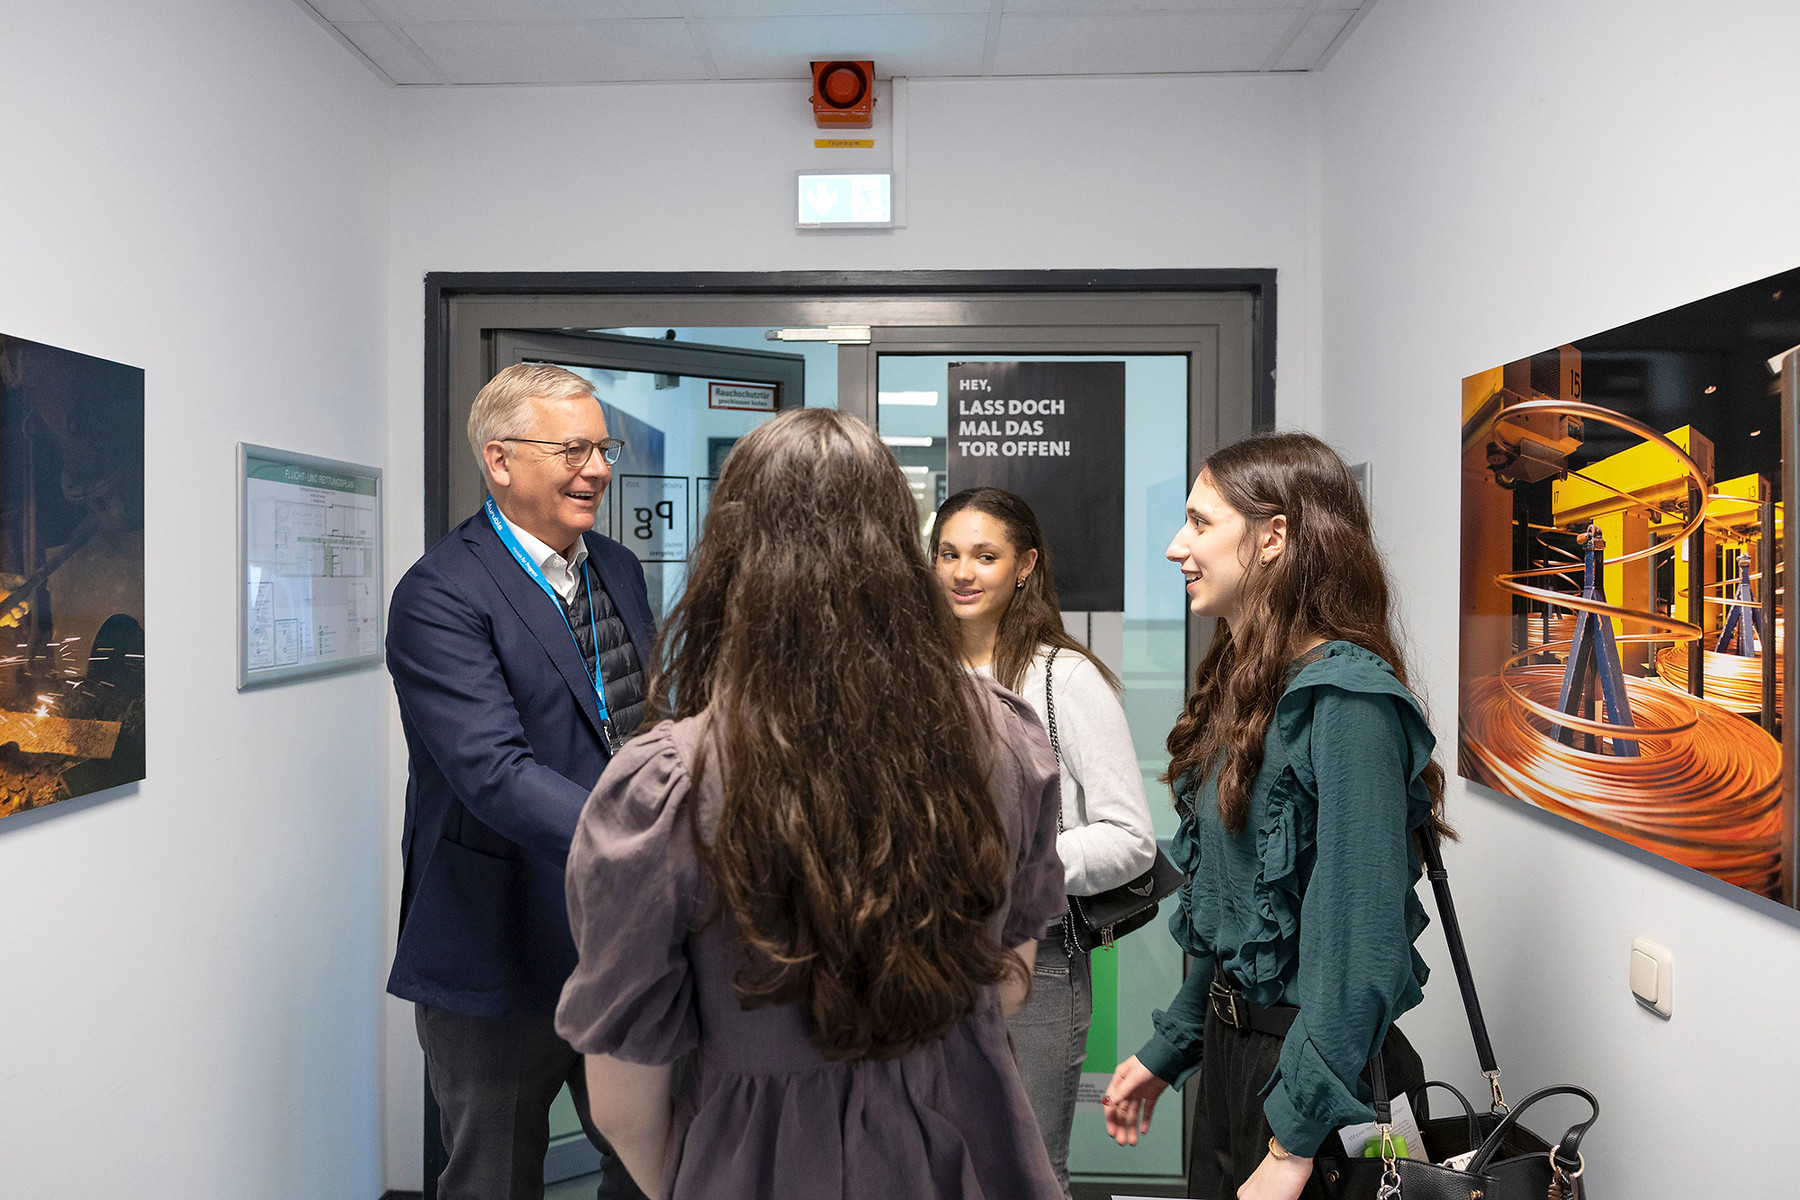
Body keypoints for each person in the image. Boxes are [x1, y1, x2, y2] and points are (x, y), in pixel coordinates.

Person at [554, 409, 1068, 1200]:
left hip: (756, 1162)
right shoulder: (1005, 736)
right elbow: (1012, 979)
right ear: (901, 550)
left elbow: (625, 1106)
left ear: (732, 555)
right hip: (967, 1149)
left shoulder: (667, 784)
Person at [1101, 432, 1449, 1200]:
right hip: (1236, 1062)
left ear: (1273, 537)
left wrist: (1292, 1145)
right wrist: (1169, 1049)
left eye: (1200, 522)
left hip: (1310, 1087)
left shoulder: (1347, 702)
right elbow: (1243, 927)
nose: (1176, 546)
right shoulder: (1252, 685)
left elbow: (1361, 952)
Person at [386, 363, 655, 1200]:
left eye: (603, 450)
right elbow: (494, 773)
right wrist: (654, 840)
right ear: (499, 461)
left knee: (653, 1164)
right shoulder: (439, 594)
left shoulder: (617, 567)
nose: (597, 469)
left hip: (623, 938)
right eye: (572, 450)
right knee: (493, 1177)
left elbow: (638, 723)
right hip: (498, 941)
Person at [930, 486, 1157, 1197]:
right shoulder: (913, 673)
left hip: (1034, 963)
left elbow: (1131, 838)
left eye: (985, 556)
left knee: (1022, 1175)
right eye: (948, 554)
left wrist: (1007, 866)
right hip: (924, 960)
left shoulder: (1063, 677)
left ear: (1025, 565)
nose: (962, 572)